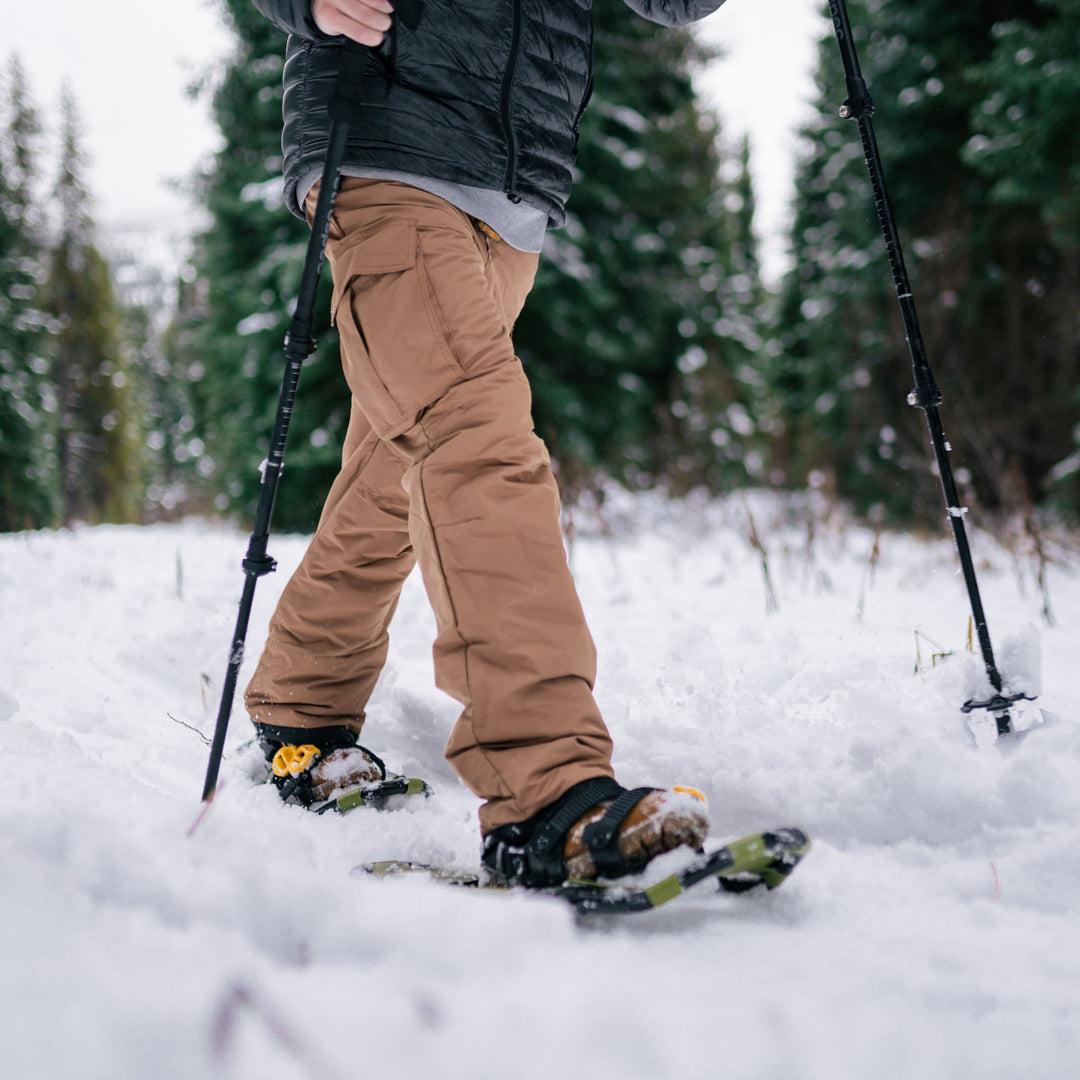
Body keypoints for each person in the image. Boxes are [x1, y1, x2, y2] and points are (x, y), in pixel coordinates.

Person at [245, 0, 724, 887]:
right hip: (388, 144)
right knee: (475, 442)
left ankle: (300, 702)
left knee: (397, 465)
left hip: (514, 192)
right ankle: (548, 792)